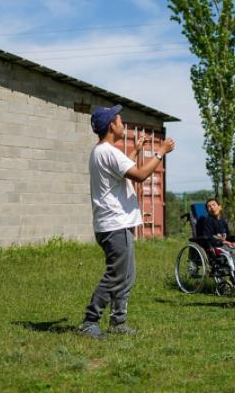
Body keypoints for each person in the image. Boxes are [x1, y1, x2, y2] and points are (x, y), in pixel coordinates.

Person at [79, 104, 175, 339]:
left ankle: (118, 321)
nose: (123, 124)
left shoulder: (103, 151)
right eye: (120, 119)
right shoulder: (108, 152)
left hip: (115, 224)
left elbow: (122, 172)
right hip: (115, 224)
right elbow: (141, 175)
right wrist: (160, 151)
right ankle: (89, 321)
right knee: (117, 275)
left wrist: (136, 150)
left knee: (126, 275)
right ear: (112, 125)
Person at [196, 198, 235, 281]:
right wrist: (226, 242)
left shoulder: (223, 221)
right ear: (207, 211)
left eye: (213, 205)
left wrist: (231, 242)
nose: (212, 207)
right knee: (234, 252)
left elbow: (227, 235)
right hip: (214, 247)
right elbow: (209, 237)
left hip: (224, 245)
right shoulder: (208, 221)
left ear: (220, 207)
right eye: (209, 207)